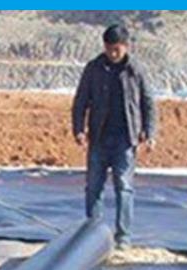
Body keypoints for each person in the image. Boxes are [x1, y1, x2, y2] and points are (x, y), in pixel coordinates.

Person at [72, 23, 157, 249]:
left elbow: (148, 102)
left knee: (124, 186)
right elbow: (80, 101)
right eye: (109, 48)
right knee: (94, 186)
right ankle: (92, 235)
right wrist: (79, 129)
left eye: (116, 49)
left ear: (126, 47)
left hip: (125, 140)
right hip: (99, 137)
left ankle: (123, 237)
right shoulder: (94, 69)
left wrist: (149, 132)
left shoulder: (136, 70)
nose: (112, 53)